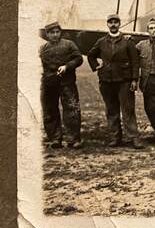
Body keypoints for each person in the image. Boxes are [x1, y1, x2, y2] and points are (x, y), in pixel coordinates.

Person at [88, 14, 142, 149]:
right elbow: (91, 55)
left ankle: (133, 137)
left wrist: (134, 79)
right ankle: (114, 137)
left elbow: (135, 62)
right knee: (111, 110)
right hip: (107, 80)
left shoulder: (127, 41)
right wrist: (96, 66)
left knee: (128, 110)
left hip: (124, 80)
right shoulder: (101, 41)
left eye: (115, 22)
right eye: (110, 22)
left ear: (119, 24)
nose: (113, 25)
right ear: (107, 24)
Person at [38, 21, 83, 149]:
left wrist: (67, 66)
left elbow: (78, 58)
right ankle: (55, 138)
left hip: (67, 83)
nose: (55, 35)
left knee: (72, 109)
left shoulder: (69, 44)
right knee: (50, 110)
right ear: (47, 34)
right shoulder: (43, 48)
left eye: (57, 32)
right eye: (52, 33)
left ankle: (73, 139)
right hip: (49, 84)